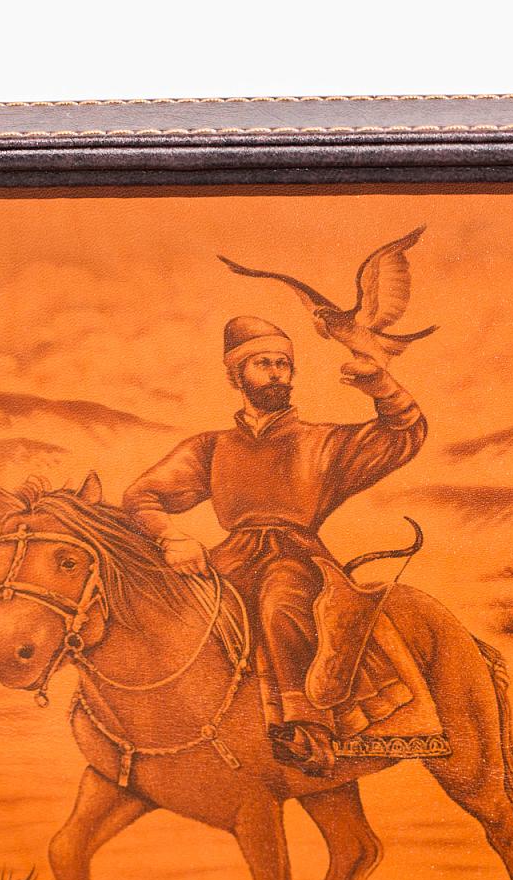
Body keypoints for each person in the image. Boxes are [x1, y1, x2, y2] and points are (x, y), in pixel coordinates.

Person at [122, 315, 427, 775]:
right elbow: (141, 496)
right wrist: (171, 537)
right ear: (237, 375)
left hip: (297, 557)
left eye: (283, 364)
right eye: (263, 363)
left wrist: (383, 388)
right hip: (231, 557)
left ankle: (312, 727)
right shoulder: (211, 448)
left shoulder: (323, 443)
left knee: (281, 600)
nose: (276, 373)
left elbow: (403, 436)